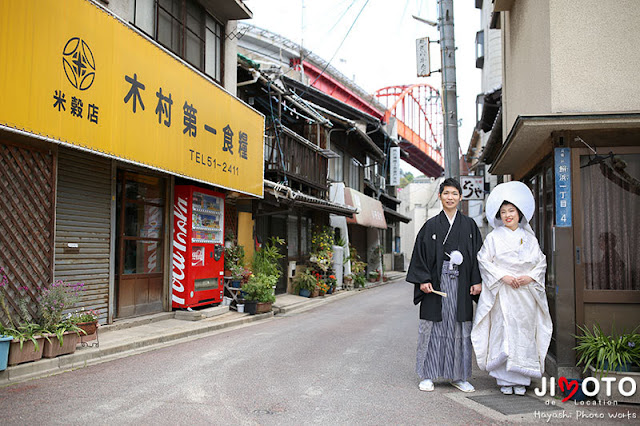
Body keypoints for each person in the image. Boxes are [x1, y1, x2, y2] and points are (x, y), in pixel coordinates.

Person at [471, 181, 552, 396]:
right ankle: (504, 379)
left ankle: (523, 378)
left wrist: (529, 277)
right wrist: (503, 276)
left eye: (512, 211)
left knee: (524, 332)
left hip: (525, 294)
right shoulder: (493, 237)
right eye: (504, 212)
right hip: (503, 292)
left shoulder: (529, 239)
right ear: (499, 215)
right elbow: (484, 261)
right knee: (503, 331)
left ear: (519, 214)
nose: (508, 215)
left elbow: (541, 263)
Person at [406, 178, 483, 393]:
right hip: (436, 284)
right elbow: (419, 256)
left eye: (454, 193)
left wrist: (477, 280)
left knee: (460, 329)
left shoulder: (469, 225)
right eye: (446, 193)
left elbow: (478, 255)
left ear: (460, 197)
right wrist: (423, 279)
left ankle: (458, 376)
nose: (450, 197)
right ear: (440, 196)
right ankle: (427, 374)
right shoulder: (431, 225)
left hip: (462, 283)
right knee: (432, 329)